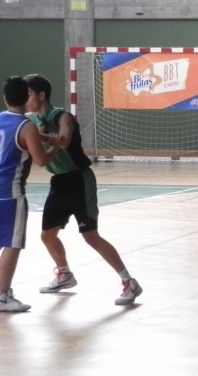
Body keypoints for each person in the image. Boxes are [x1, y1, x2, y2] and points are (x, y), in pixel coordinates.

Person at [24, 74, 143, 305]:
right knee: (47, 235)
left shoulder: (62, 115)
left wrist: (38, 135)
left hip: (79, 179)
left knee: (90, 236)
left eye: (28, 95)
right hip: (58, 182)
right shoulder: (31, 119)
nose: (25, 100)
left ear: (41, 95)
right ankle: (65, 274)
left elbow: (65, 140)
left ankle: (129, 281)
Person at [0, 77, 60, 312]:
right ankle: (2, 296)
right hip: (10, 193)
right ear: (27, 98)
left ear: (5, 98)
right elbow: (41, 160)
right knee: (12, 244)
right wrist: (55, 144)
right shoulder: (26, 127)